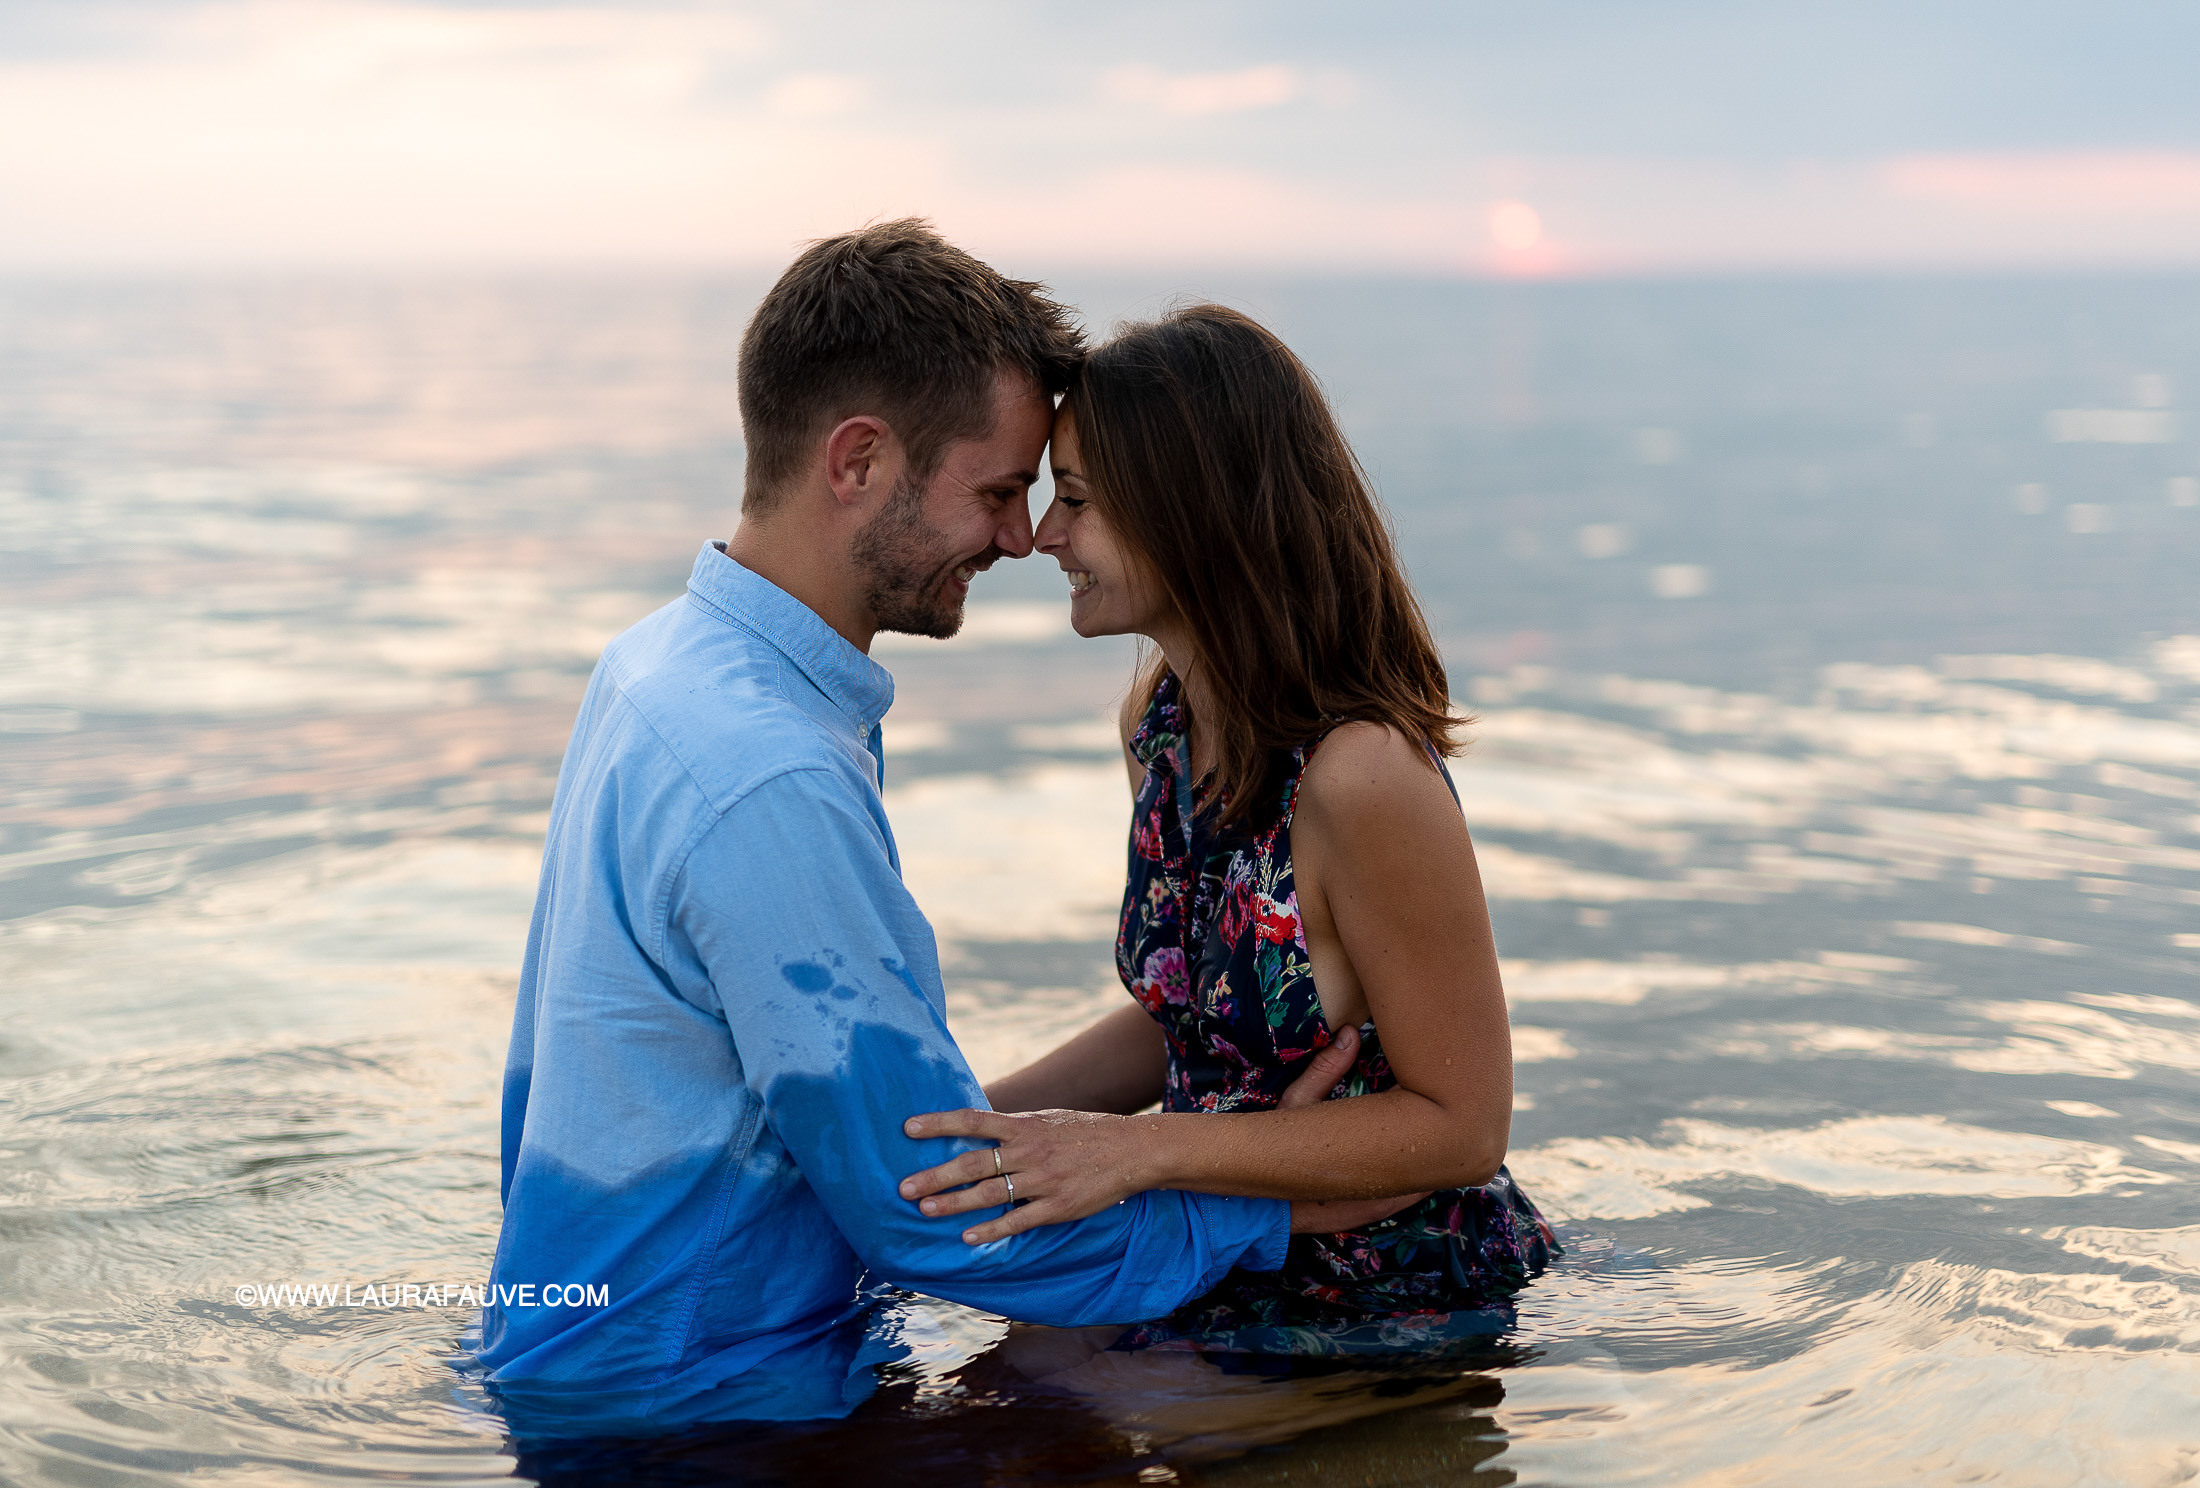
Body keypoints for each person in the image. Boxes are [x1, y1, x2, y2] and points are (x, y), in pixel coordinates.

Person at [465, 224, 1406, 1436]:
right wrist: (1259, 1204)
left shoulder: (657, 668)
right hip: (702, 1415)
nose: (1022, 539)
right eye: (1000, 491)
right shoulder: (768, 777)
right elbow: (927, 1220)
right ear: (858, 460)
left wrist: (1083, 1144)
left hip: (591, 1350)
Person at [897, 303, 1558, 1354]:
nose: (1043, 538)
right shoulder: (1156, 723)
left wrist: (1141, 1154)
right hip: (1210, 1247)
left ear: (1189, 514)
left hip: (1389, 1289)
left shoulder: (1363, 779)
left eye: (1074, 501)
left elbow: (1464, 1128)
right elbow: (1186, 1017)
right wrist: (964, 1133)